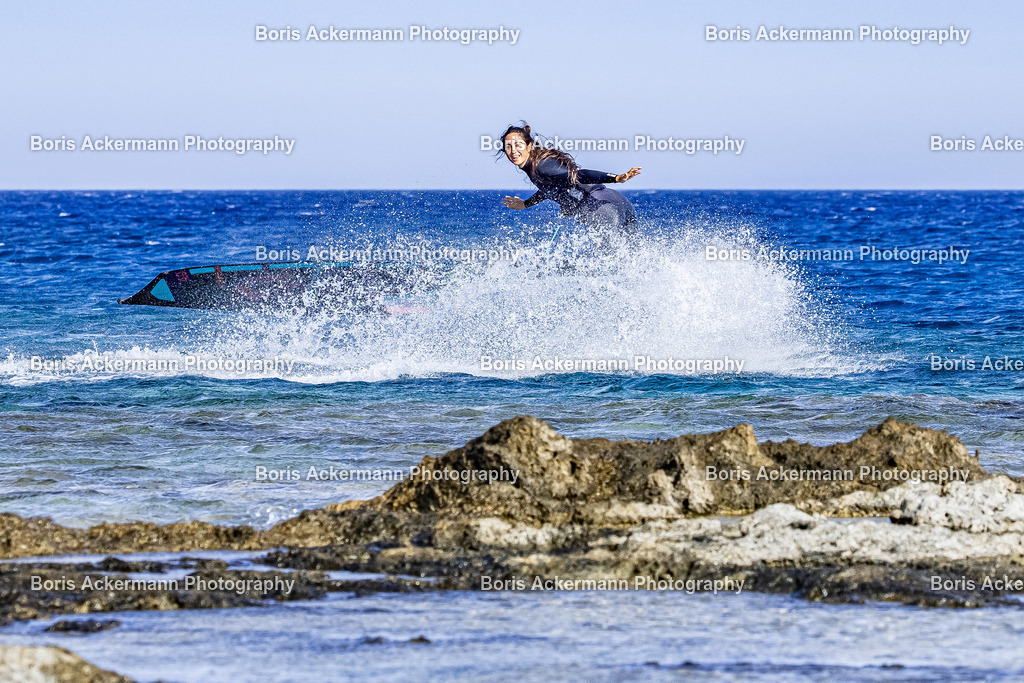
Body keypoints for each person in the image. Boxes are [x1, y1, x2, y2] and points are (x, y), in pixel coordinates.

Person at [499, 123, 641, 236]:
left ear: (529, 146)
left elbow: (579, 175)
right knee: (633, 256)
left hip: (598, 204)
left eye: (518, 145)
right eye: (508, 147)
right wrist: (526, 204)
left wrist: (616, 178)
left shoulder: (542, 166)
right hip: (613, 198)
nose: (513, 151)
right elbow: (550, 188)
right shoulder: (537, 165)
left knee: (610, 262)